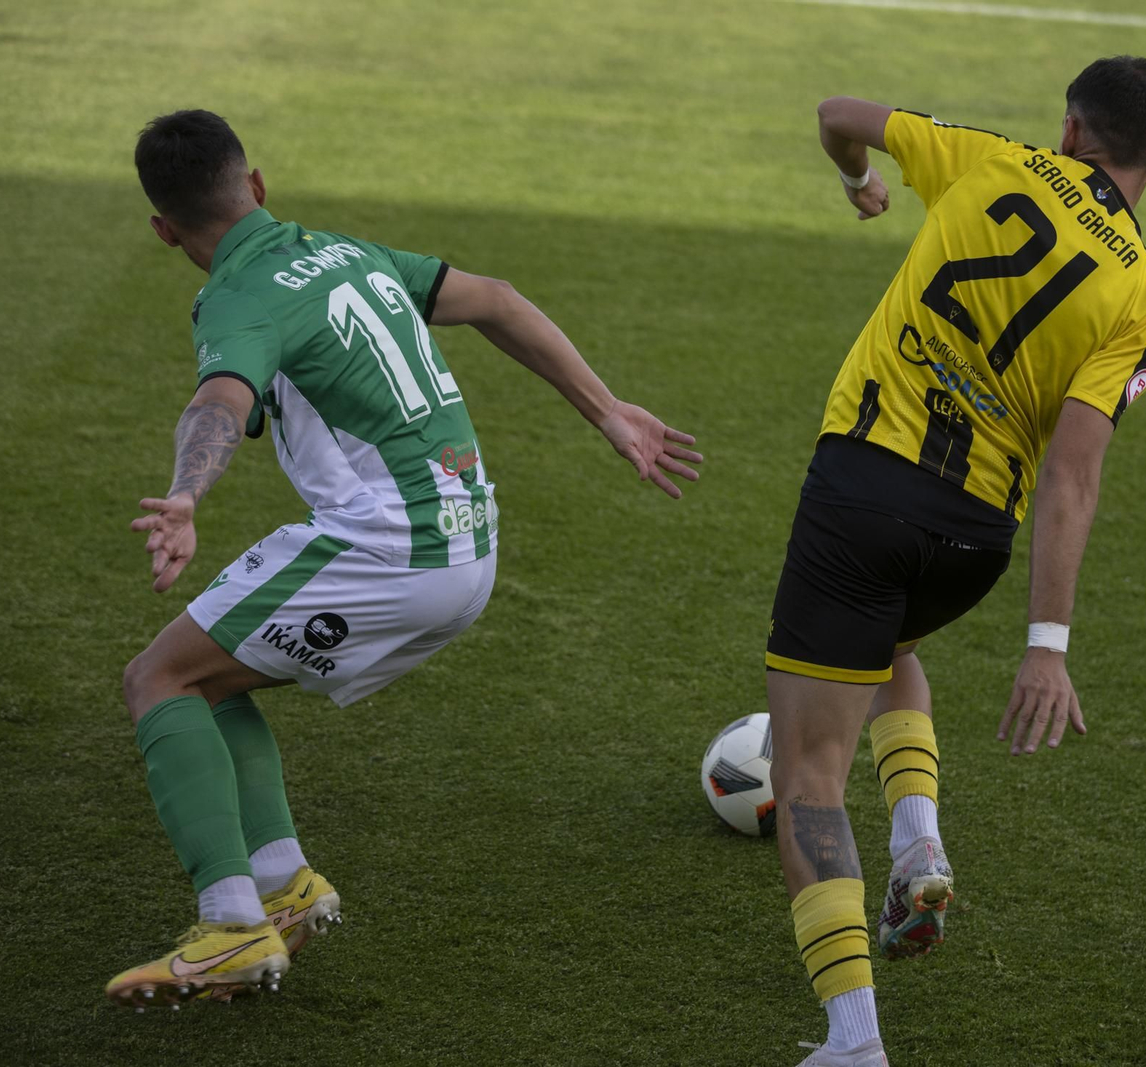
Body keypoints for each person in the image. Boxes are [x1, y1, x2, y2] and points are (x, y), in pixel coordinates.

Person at [107, 110, 702, 1009]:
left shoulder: (238, 295)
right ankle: (283, 886)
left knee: (157, 680)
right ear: (257, 185)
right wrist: (607, 407)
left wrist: (186, 494)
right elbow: (497, 296)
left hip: (390, 545)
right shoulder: (349, 251)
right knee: (207, 673)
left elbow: (221, 397)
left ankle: (231, 924)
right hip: (471, 539)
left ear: (163, 229)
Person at [765, 57, 1146, 1065]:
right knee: (891, 642)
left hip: (863, 490)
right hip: (972, 541)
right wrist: (1047, 644)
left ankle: (853, 1039)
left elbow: (834, 114)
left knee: (806, 771)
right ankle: (918, 839)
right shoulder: (1143, 305)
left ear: (1071, 131)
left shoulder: (989, 160)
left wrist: (855, 177)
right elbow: (1074, 473)